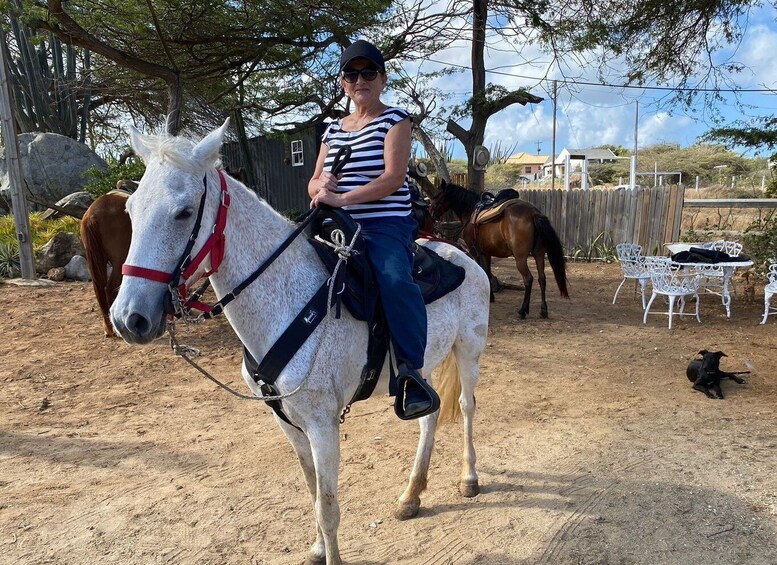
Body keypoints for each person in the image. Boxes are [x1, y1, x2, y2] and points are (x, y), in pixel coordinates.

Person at [308, 39, 439, 420]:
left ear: (382, 78)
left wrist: (343, 199)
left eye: (368, 72)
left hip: (384, 224)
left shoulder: (395, 120)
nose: (359, 79)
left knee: (394, 278)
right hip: (333, 222)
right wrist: (322, 189)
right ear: (343, 83)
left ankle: (411, 374)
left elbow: (394, 178)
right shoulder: (332, 130)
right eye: (352, 73)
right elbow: (313, 181)